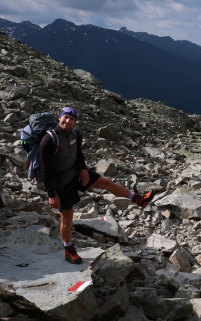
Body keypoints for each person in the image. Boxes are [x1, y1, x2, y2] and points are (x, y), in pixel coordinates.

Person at [40, 105, 155, 264]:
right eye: (65, 117)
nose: (68, 121)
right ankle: (68, 249)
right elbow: (45, 170)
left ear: (75, 122)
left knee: (106, 182)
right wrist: (52, 194)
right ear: (59, 117)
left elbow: (78, 154)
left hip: (75, 173)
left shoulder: (75, 134)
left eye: (72, 119)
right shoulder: (48, 139)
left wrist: (83, 169)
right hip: (60, 183)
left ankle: (138, 199)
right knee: (67, 216)